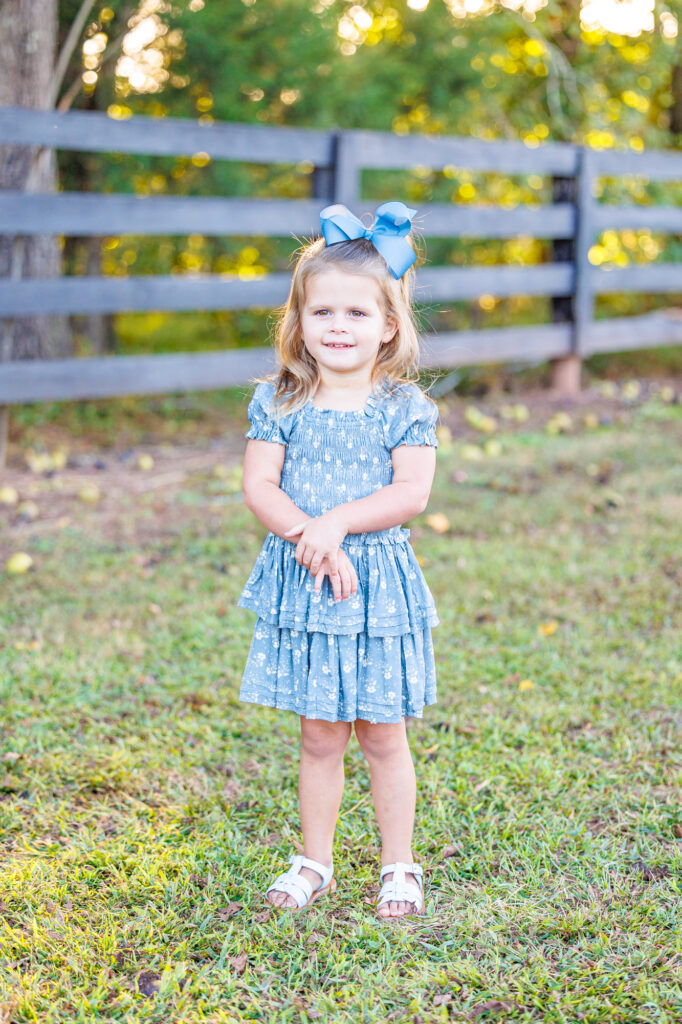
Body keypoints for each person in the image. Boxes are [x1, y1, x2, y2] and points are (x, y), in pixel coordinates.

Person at [238, 201, 440, 919]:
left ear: (388, 324)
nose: (338, 328)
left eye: (357, 314)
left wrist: (336, 523)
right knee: (319, 735)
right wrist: (306, 536)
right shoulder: (280, 401)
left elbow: (412, 493)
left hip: (375, 585)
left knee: (384, 734)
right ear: (299, 323)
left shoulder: (403, 407)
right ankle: (313, 862)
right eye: (322, 313)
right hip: (308, 582)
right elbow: (259, 485)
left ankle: (398, 866)